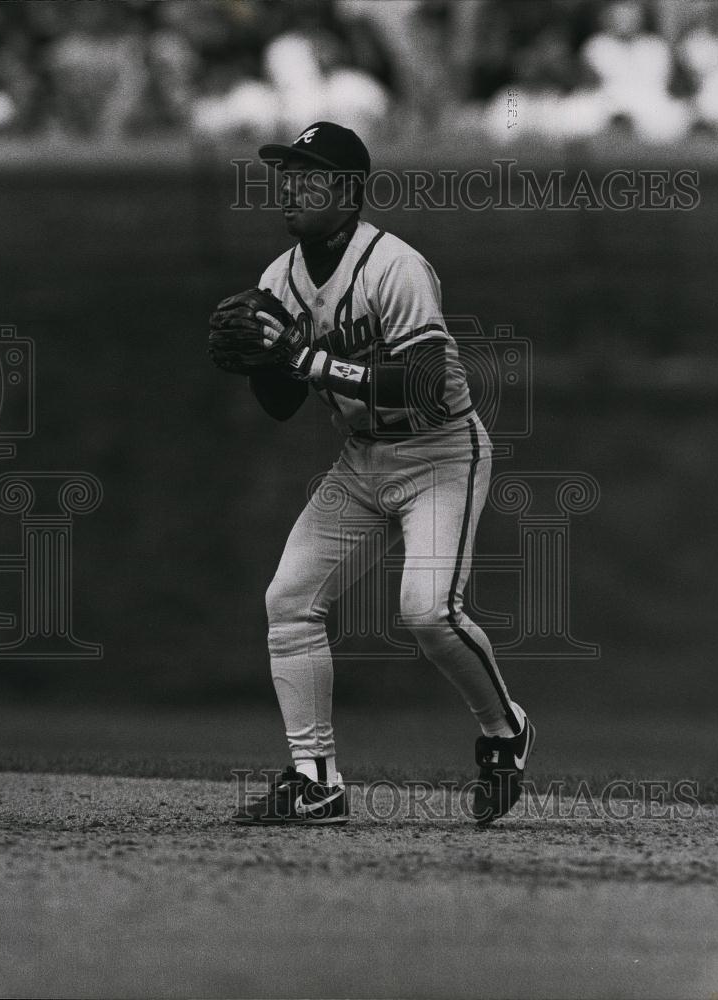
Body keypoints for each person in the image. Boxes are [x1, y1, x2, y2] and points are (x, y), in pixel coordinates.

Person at [214, 122, 534, 826]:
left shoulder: (395, 267)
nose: (291, 187)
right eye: (286, 174)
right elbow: (281, 404)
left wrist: (310, 360)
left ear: (350, 192)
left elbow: (424, 385)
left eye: (310, 176)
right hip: (363, 461)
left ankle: (505, 730)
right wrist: (265, 362)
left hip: (442, 451)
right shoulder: (279, 279)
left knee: (427, 613)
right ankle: (316, 780)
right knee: (290, 600)